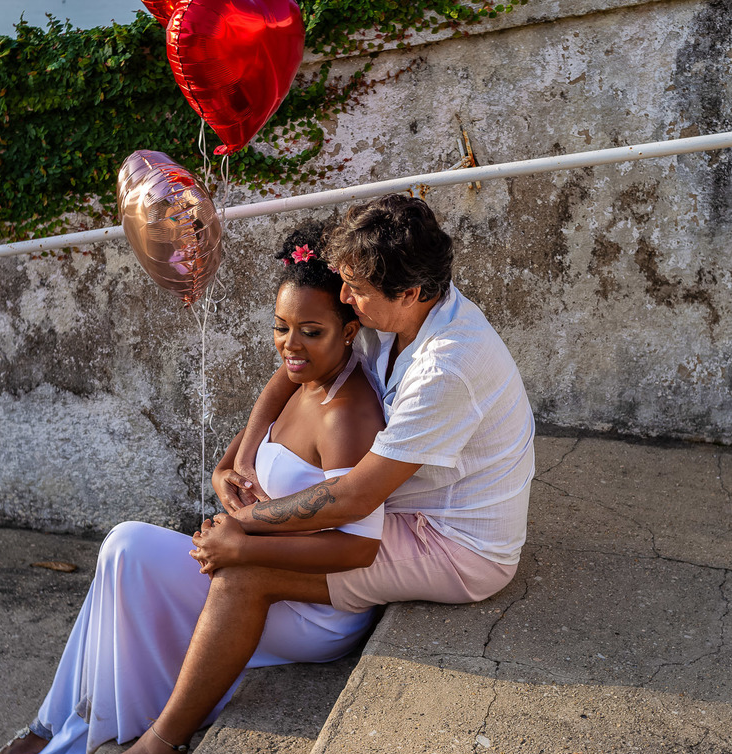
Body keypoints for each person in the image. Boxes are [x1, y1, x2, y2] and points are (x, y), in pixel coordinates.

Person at [0, 222, 386, 754]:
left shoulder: (348, 414)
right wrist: (225, 477)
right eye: (281, 327)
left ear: (350, 328)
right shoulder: (296, 377)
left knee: (127, 549)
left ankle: (90, 729)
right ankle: (59, 724)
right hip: (257, 561)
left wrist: (242, 541)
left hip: (310, 605)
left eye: (311, 331)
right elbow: (245, 449)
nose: (291, 344)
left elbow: (359, 548)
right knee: (124, 557)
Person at [223, 192, 535, 617]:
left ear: (410, 293)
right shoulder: (390, 311)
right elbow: (296, 368)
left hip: (455, 544)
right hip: (402, 511)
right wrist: (240, 462)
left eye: (356, 290)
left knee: (246, 567)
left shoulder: (446, 368)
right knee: (256, 542)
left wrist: (244, 522)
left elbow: (355, 498)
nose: (345, 297)